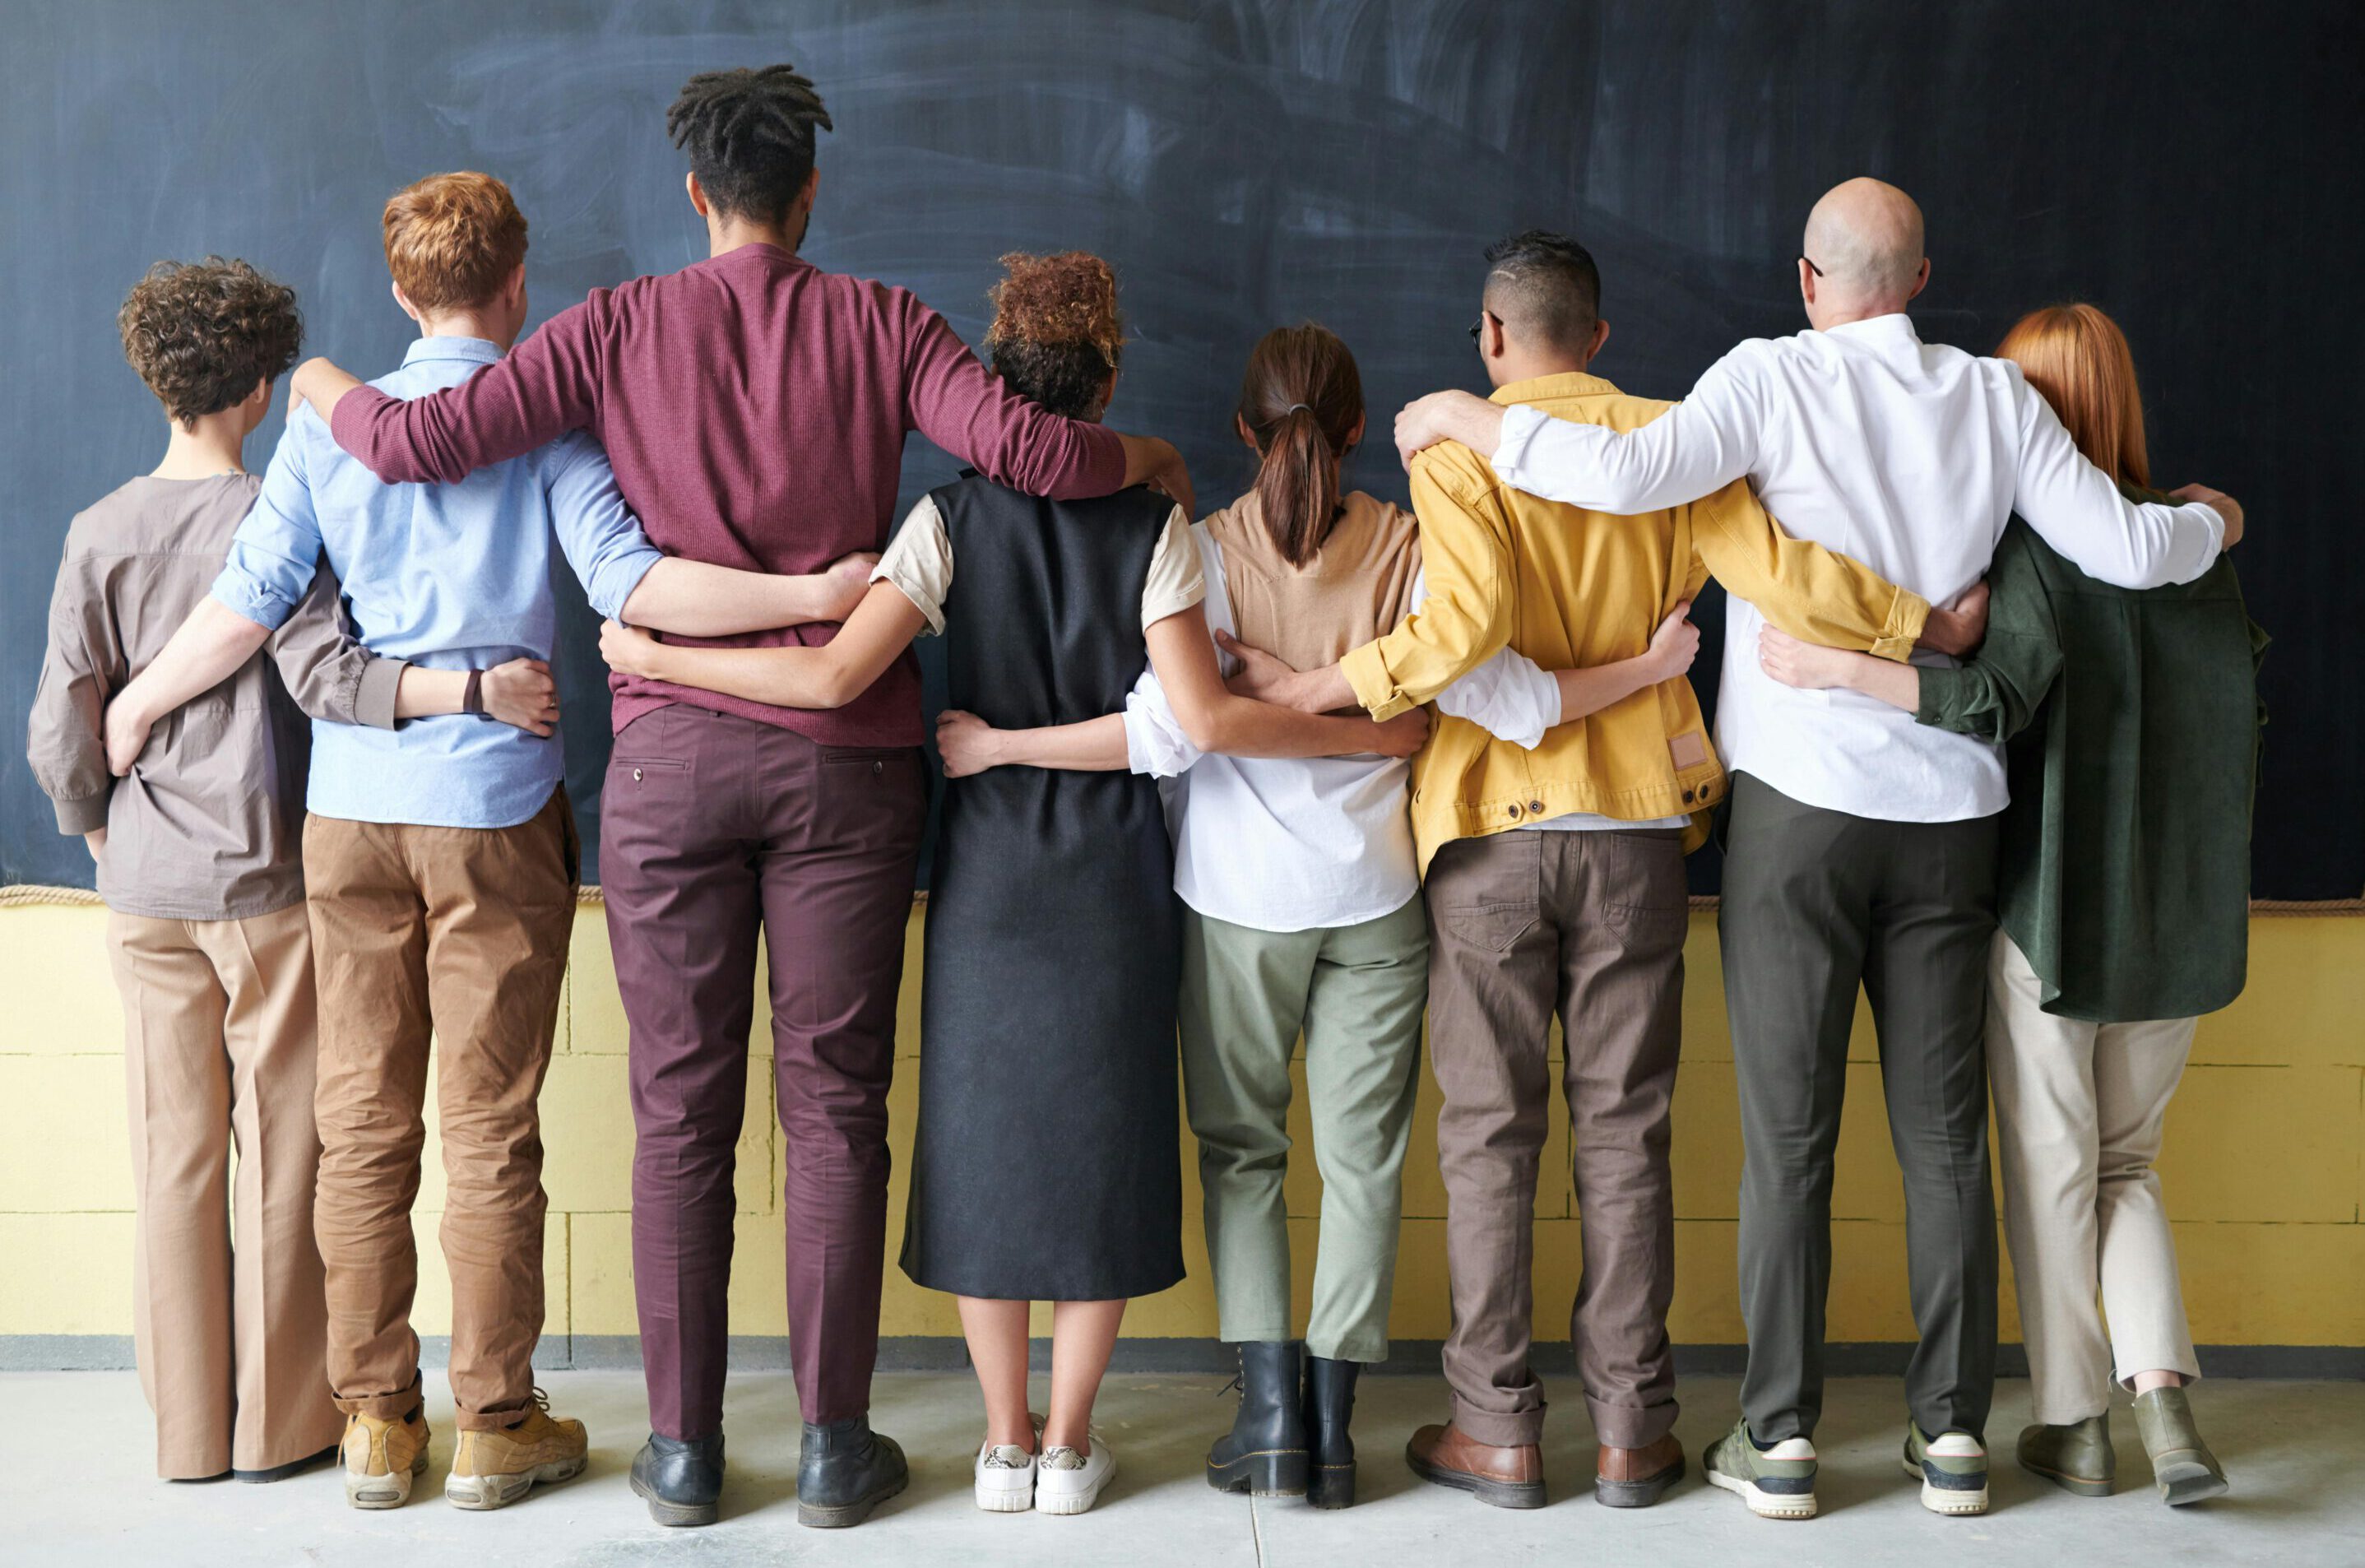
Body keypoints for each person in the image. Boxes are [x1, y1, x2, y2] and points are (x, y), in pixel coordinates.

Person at [289, 67, 1194, 1529]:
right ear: (811, 192)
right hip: (847, 771)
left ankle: (684, 1454)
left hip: (668, 764)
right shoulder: (886, 323)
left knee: (678, 1113)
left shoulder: (610, 327)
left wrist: (326, 380)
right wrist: (1148, 458)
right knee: (837, 1109)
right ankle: (837, 1448)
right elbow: (1030, 452)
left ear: (697, 196)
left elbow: (416, 444)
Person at [1390, 180, 2245, 1521]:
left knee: (1790, 1139)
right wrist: (2216, 522)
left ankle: (1778, 1438)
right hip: (1954, 814)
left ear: (1807, 279)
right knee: (1944, 1138)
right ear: (1918, 279)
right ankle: (1953, 1437)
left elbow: (1614, 471)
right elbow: (2135, 549)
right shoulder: (1994, 397)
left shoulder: (1765, 381)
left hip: (1796, 805)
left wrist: (1459, 417)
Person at [597, 254, 1422, 1518]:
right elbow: (1193, 715)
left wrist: (656, 651)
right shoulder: (1155, 524)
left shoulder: (944, 521)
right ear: (1106, 378)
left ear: (994, 383)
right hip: (1111, 874)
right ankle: (1071, 1441)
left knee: (983, 1146)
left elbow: (826, 681)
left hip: (985, 874)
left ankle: (1000, 1440)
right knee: (1101, 1148)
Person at [103, 175, 878, 1512]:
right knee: (489, 1124)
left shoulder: (326, 437)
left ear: (405, 292)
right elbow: (632, 584)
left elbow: (245, 609)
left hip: (350, 808)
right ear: (519, 284)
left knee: (359, 1120)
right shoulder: (552, 432)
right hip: (497, 811)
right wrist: (814, 600)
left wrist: (135, 700)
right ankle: (497, 1419)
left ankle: (375, 1425)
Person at [1217, 232, 1971, 1512]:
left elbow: (1456, 636)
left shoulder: (1456, 452)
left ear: (1493, 337)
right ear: (1603, 338)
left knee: (1488, 1140)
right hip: (1635, 831)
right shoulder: (1673, 439)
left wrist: (1317, 687)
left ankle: (1496, 1430)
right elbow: (1779, 575)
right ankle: (1634, 1432)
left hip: (1492, 837)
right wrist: (1917, 625)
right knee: (1628, 1136)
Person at [935, 321, 1582, 1511]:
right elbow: (1453, 697)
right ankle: (1334, 1431)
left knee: (1245, 1155)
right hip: (1379, 892)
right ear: (1354, 425)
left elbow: (1169, 730)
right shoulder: (1409, 540)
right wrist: (1372, 729)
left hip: (1234, 898)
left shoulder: (1200, 545)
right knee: (1364, 1162)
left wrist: (1264, 694)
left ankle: (1273, 1421)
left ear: (1241, 430)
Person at [26, 257, 539, 1485]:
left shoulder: (97, 531)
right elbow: (325, 675)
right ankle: (284, 1427)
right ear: (262, 390)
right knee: (289, 1151)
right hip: (262, 883)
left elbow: (62, 721)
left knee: (174, 1155)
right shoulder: (282, 513)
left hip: (143, 887)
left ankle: (188, 1432)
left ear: (158, 382)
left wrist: (96, 825)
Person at [1756, 303, 2257, 1509]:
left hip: (2051, 918)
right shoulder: (2199, 553)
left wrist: (1840, 667)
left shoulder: (2038, 556)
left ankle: (2079, 1424)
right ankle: (2164, 1399)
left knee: (2053, 1173)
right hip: (2182, 928)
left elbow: (1993, 701)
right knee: (2130, 1167)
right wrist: (2220, 512)